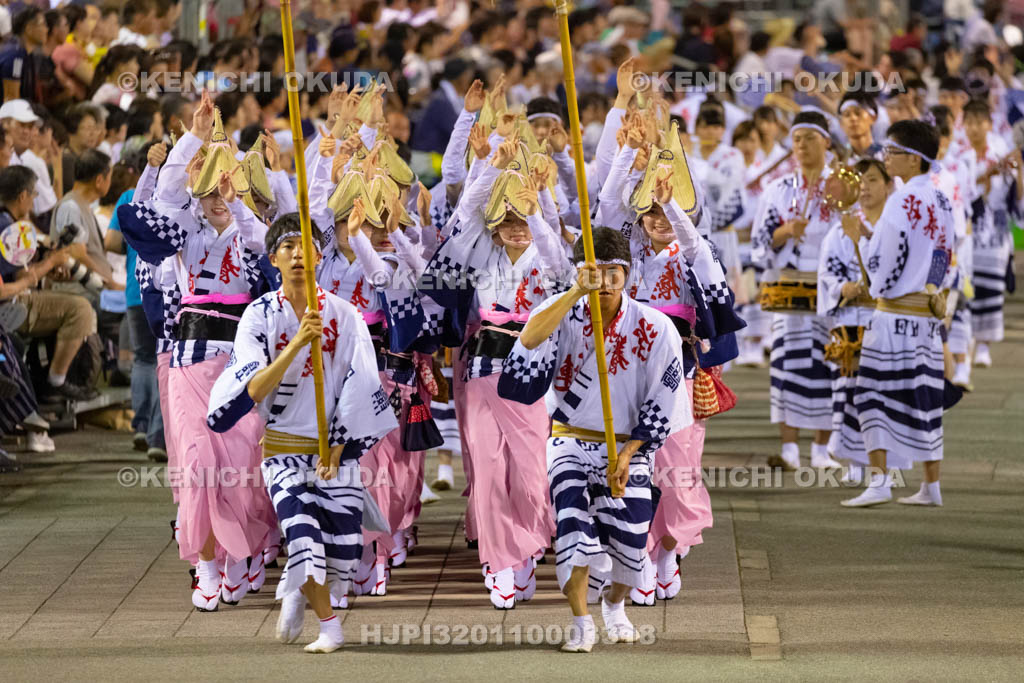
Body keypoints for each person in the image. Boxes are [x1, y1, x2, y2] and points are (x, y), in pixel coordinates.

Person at [207, 213, 397, 653]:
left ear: (319, 253)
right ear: (273, 258)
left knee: (343, 555)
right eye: (287, 247)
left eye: (304, 245)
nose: (296, 254)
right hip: (283, 454)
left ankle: (297, 588)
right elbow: (253, 387)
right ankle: (330, 626)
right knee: (305, 539)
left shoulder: (344, 314)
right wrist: (295, 343)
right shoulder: (258, 315)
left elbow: (361, 378)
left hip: (335, 454)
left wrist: (339, 445)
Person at [117, 91, 277, 610]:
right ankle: (206, 566)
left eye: (223, 190)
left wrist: (238, 201)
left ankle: (238, 558)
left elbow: (260, 238)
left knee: (243, 467)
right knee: (196, 465)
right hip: (187, 362)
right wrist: (194, 135)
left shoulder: (248, 235)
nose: (215, 199)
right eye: (207, 191)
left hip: (241, 366)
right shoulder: (182, 230)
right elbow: (161, 198)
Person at [499, 227, 689, 652]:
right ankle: (580, 621)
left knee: (631, 539)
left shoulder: (656, 328)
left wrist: (630, 452)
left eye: (612, 274)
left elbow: (667, 393)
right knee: (572, 527)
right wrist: (572, 292)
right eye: (594, 273)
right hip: (568, 440)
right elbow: (529, 339)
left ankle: (614, 605)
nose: (603, 284)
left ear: (628, 275)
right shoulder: (563, 311)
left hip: (629, 445)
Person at [423, 131, 568, 608]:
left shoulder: (545, 252)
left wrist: (538, 207)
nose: (514, 228)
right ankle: (501, 561)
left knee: (529, 471)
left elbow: (562, 269)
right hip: (482, 367)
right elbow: (460, 226)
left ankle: (526, 549)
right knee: (486, 468)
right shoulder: (479, 251)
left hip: (531, 372)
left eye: (519, 219)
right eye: (504, 219)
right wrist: (486, 168)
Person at [842, 120, 955, 508]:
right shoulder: (941, 198)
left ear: (913, 160)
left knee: (872, 394)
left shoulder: (901, 200)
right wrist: (931, 288)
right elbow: (943, 254)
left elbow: (886, 265)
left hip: (892, 315)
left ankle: (880, 481)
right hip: (926, 314)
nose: (886, 158)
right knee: (923, 395)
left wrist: (862, 246)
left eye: (892, 152)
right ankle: (931, 485)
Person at [752, 110, 841, 470]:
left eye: (810, 138)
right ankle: (789, 447)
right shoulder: (777, 189)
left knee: (829, 361)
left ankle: (822, 448)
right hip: (789, 286)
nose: (802, 145)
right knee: (787, 363)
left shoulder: (842, 187)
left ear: (827, 142)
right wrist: (785, 231)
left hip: (831, 287)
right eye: (797, 139)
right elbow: (759, 244)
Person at [817, 159, 892, 486]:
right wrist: (840, 287)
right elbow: (826, 272)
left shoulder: (894, 226)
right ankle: (851, 457)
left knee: (877, 392)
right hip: (848, 315)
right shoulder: (838, 230)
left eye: (873, 180)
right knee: (845, 385)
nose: (865, 187)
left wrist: (866, 238)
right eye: (860, 180)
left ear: (888, 185)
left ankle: (879, 463)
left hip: (882, 316)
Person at [0, 165, 97, 404]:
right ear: (22, 195)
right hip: (10, 305)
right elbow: (6, 288)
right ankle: (57, 381)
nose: (33, 202)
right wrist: (51, 261)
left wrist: (47, 270)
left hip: (17, 298)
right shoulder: (7, 227)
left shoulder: (8, 222)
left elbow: (18, 274)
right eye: (33, 195)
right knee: (81, 309)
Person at [963, 99, 1023, 369]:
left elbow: (1016, 200)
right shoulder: (959, 158)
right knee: (965, 293)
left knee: (991, 291)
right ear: (963, 125)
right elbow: (959, 194)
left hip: (995, 233)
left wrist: (1018, 169)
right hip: (967, 233)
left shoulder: (1001, 151)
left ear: (989, 124)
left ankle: (984, 345)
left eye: (980, 122)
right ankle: (965, 348)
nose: (975, 128)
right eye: (970, 122)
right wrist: (986, 175)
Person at [50, 149, 117, 307]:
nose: (110, 182)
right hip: (81, 294)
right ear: (99, 180)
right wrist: (111, 285)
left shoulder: (83, 206)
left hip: (94, 292)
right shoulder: (71, 207)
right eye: (110, 177)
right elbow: (77, 255)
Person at [0, 7, 47, 103]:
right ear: (29, 29)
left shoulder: (25, 53)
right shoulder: (15, 56)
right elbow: (11, 99)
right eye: (43, 24)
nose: (47, 29)